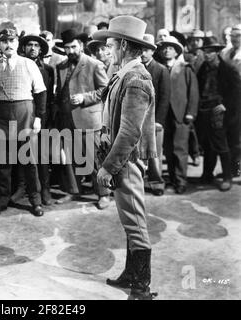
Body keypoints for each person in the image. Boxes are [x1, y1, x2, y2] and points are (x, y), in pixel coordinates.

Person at [94, 16, 158, 300]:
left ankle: (141, 287)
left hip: (126, 160)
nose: (107, 51)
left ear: (122, 45)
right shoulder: (125, 73)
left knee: (135, 221)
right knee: (128, 218)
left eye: (110, 46)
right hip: (122, 158)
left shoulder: (136, 78)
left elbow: (130, 131)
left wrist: (109, 167)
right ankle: (132, 274)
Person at [0, 28, 47, 218]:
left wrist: (38, 118)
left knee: (29, 161)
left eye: (12, 40)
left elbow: (41, 93)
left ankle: (35, 200)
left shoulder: (28, 64)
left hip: (24, 114)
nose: (8, 44)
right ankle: (2, 200)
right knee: (3, 161)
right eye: (4, 41)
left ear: (18, 43)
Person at [54, 29, 110, 210]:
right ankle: (73, 190)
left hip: (89, 120)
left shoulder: (94, 64)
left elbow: (105, 90)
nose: (70, 51)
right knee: (70, 159)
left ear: (81, 46)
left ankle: (103, 194)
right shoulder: (61, 66)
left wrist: (85, 97)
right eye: (67, 48)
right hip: (67, 120)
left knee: (94, 159)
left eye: (73, 47)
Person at [11, 34, 54, 206]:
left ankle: (44, 189)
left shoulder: (48, 69)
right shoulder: (16, 66)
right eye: (29, 45)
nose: (33, 48)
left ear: (41, 49)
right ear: (23, 48)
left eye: (37, 45)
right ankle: (23, 188)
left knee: (42, 155)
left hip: (41, 117)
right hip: (22, 116)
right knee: (23, 153)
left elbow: (48, 96)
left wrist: (43, 117)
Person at [197, 38, 241, 191]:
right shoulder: (203, 67)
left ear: (217, 52)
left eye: (210, 52)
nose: (207, 55)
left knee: (221, 144)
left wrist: (225, 105)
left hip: (219, 111)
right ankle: (207, 174)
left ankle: (227, 177)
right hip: (204, 109)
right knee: (207, 144)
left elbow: (236, 93)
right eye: (205, 52)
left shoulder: (227, 69)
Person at [158, 36, 199, 194]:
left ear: (176, 52)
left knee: (180, 149)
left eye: (170, 48)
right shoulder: (160, 68)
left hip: (181, 114)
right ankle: (173, 178)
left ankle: (181, 180)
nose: (167, 50)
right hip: (164, 114)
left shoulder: (185, 68)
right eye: (164, 48)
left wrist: (190, 113)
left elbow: (193, 93)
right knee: (168, 148)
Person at [141, 34, 170, 196]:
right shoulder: (133, 68)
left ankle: (157, 182)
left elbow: (165, 98)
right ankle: (138, 182)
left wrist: (159, 120)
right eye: (141, 50)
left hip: (153, 120)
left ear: (152, 51)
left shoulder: (160, 70)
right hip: (136, 119)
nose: (143, 54)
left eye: (147, 50)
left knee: (155, 153)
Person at [221, 24, 241, 177]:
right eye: (233, 36)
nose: (235, 39)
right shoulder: (225, 53)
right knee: (233, 137)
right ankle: (233, 169)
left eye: (238, 36)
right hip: (231, 101)